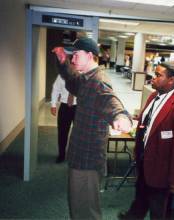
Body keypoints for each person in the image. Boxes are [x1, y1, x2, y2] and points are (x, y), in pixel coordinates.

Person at [52, 37, 132, 220]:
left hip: (88, 158)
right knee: (78, 205)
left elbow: (110, 101)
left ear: (89, 56)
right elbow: (71, 81)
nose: (73, 60)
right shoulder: (85, 78)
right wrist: (63, 61)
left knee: (86, 209)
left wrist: (120, 117)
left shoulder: (98, 81)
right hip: (80, 153)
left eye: (76, 56)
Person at [118, 62, 174, 220]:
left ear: (171, 80)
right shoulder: (154, 96)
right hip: (144, 163)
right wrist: (137, 151)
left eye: (158, 75)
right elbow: (146, 125)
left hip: (161, 172)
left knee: (158, 211)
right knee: (140, 198)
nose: (153, 78)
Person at [50, 74, 77, 163]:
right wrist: (53, 105)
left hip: (80, 107)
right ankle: (61, 155)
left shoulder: (83, 74)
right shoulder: (62, 75)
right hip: (65, 107)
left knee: (79, 133)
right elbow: (56, 89)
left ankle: (76, 155)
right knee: (62, 132)